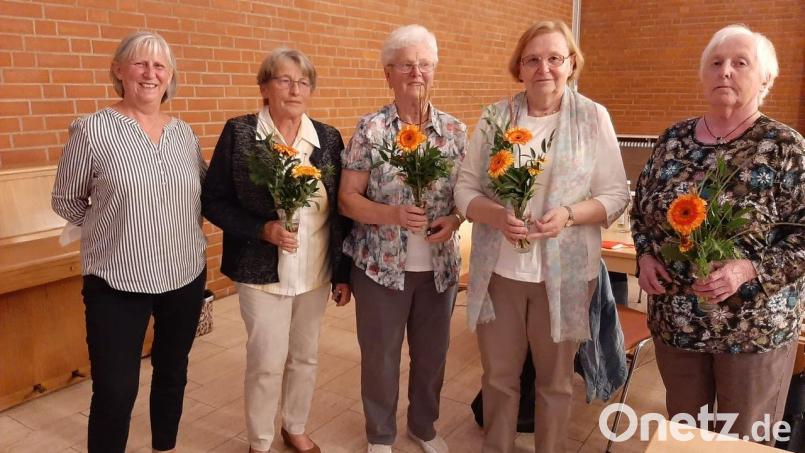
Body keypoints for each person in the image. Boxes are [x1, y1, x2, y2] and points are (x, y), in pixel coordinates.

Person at [454, 20, 629, 453]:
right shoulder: (497, 118)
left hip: (567, 274)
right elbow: (464, 188)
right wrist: (495, 215)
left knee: (554, 382)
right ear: (519, 67)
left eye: (555, 58)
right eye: (533, 59)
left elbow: (615, 195)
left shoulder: (592, 117)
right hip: (501, 272)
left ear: (571, 64)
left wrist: (569, 214)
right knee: (498, 377)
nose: (544, 68)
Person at [631, 24, 804, 444]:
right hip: (677, 326)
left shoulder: (784, 147)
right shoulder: (673, 139)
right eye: (716, 62)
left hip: (752, 332)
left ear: (764, 79)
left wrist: (749, 269)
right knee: (685, 435)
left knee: (741, 441)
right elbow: (641, 212)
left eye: (740, 63)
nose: (725, 71)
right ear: (704, 75)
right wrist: (646, 256)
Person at [51, 31, 207, 453]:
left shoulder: (184, 134)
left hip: (184, 274)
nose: (150, 73)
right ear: (119, 70)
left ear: (170, 75)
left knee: (172, 371)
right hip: (115, 279)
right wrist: (113, 229)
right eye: (140, 63)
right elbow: (66, 199)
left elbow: (204, 193)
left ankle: (164, 446)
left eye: (159, 66)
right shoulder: (92, 130)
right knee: (116, 389)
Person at [201, 48, 352, 453]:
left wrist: (342, 273)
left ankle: (295, 426)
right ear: (265, 86)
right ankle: (260, 440)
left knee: (305, 356)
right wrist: (261, 229)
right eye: (284, 80)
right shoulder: (241, 133)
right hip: (260, 271)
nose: (294, 89)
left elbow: (340, 211)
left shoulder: (328, 138)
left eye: (303, 82)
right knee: (267, 362)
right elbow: (212, 200)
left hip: (315, 271)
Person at [338, 24, 467, 453]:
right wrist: (391, 214)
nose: (417, 72)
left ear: (435, 70)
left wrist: (455, 218)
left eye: (424, 64)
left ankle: (423, 426)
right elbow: (348, 200)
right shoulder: (370, 129)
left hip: (439, 269)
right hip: (379, 268)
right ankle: (380, 435)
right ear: (388, 74)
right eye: (405, 65)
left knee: (432, 357)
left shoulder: (456, 132)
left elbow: (468, 197)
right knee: (381, 358)